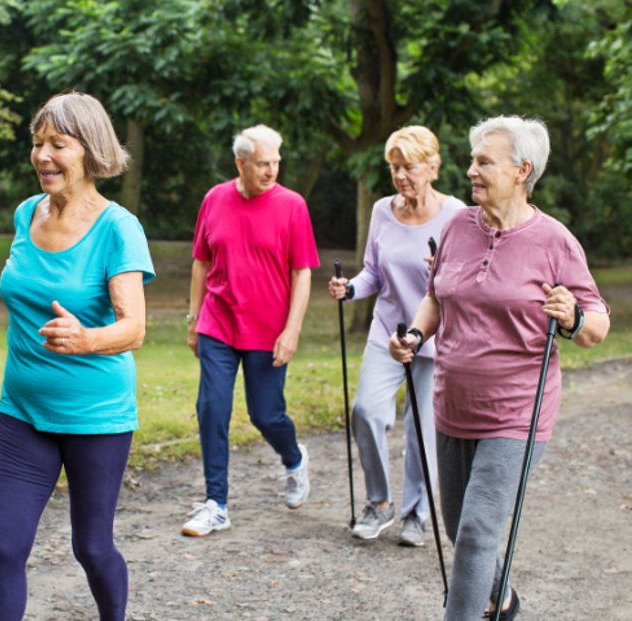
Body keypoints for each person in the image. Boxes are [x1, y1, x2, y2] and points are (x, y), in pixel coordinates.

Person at [389, 116, 610, 621]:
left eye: (483, 162)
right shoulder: (457, 227)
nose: (470, 171)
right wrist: (415, 335)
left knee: (476, 533)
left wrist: (572, 317)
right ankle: (502, 599)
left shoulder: (554, 241)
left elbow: (596, 325)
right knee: (456, 526)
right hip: (452, 404)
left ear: (521, 171)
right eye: (472, 160)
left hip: (516, 413)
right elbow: (434, 298)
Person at [0, 93, 154, 621]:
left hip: (94, 417)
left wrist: (86, 339)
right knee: (3, 546)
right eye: (37, 144)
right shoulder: (25, 214)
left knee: (93, 548)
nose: (42, 156)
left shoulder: (117, 228)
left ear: (90, 149)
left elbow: (135, 328)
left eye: (58, 144)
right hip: (22, 412)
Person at [328, 126, 466, 546]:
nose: (400, 175)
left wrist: (444, 270)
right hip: (388, 330)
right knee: (365, 411)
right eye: (394, 167)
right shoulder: (382, 211)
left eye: (408, 167)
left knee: (422, 430)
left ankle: (416, 514)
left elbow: (467, 278)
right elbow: (372, 270)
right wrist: (350, 288)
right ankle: (380, 503)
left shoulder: (456, 214)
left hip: (434, 338)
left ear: (432, 166)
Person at [182, 124, 319, 537]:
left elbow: (302, 273)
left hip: (267, 328)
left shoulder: (292, 205)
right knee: (212, 407)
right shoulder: (215, 198)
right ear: (240, 163)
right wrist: (193, 320)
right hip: (218, 322)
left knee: (266, 414)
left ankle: (294, 460)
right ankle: (216, 503)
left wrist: (292, 330)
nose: (272, 170)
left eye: (277, 162)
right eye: (263, 163)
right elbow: (200, 263)